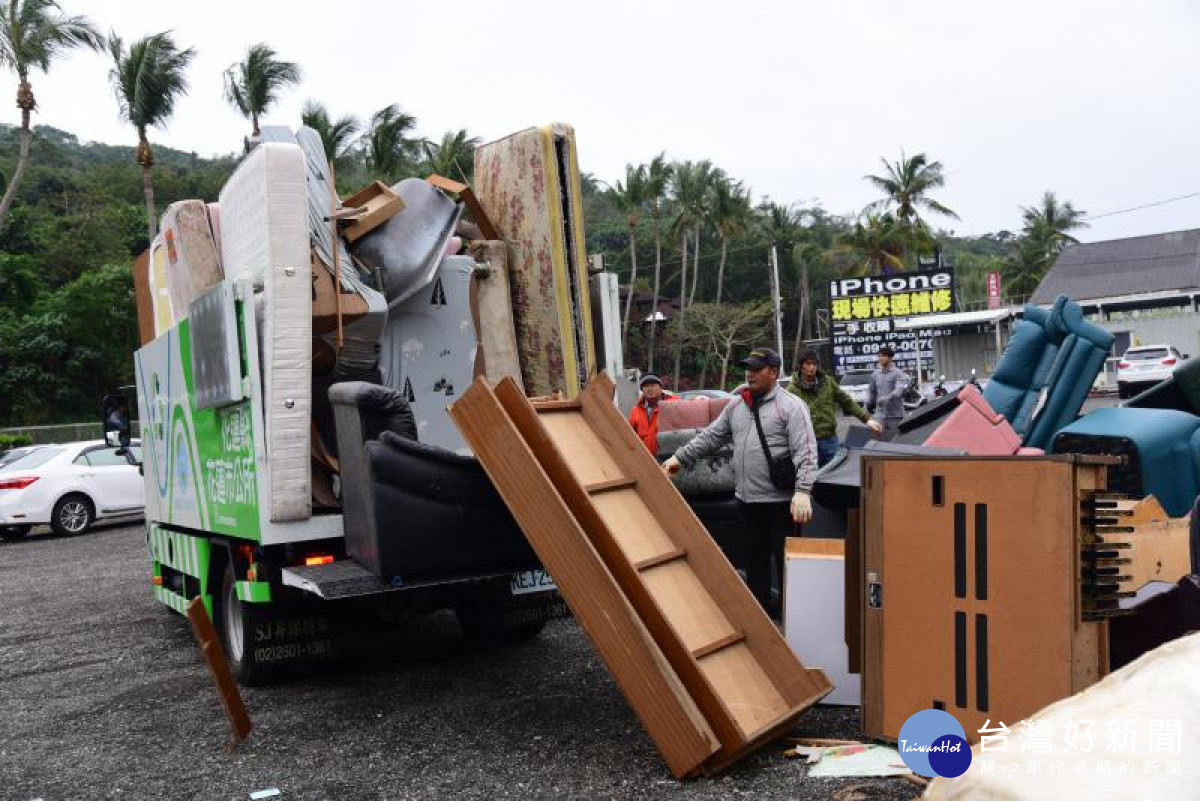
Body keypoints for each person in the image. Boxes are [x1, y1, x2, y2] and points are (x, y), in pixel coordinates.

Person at [662, 347, 817, 618]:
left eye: (757, 369)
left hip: (781, 504)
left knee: (787, 565)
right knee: (755, 562)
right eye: (748, 368)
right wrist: (679, 457)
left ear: (773, 372)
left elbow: (806, 451)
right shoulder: (737, 405)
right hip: (747, 501)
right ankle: (762, 620)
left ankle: (794, 621)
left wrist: (803, 491)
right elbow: (710, 437)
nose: (750, 373)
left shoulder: (791, 407)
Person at [788, 349, 882, 466]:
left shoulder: (827, 382)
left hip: (830, 440)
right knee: (812, 478)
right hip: (808, 443)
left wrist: (867, 419)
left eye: (814, 364)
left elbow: (846, 401)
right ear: (801, 366)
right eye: (808, 364)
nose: (811, 367)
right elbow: (787, 420)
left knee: (835, 473)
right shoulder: (792, 390)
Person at [628, 374, 677, 454]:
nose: (649, 389)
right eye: (646, 386)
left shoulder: (674, 404)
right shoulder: (635, 411)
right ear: (642, 390)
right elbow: (630, 437)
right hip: (645, 458)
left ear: (661, 388)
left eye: (653, 385)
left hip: (670, 457)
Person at [868, 346, 910, 437]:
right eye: (879, 356)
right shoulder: (875, 374)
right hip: (879, 414)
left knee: (894, 440)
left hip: (895, 415)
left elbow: (899, 390)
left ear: (890, 358)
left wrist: (887, 398)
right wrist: (869, 404)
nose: (880, 358)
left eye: (883, 356)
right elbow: (872, 392)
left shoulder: (898, 373)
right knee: (875, 438)